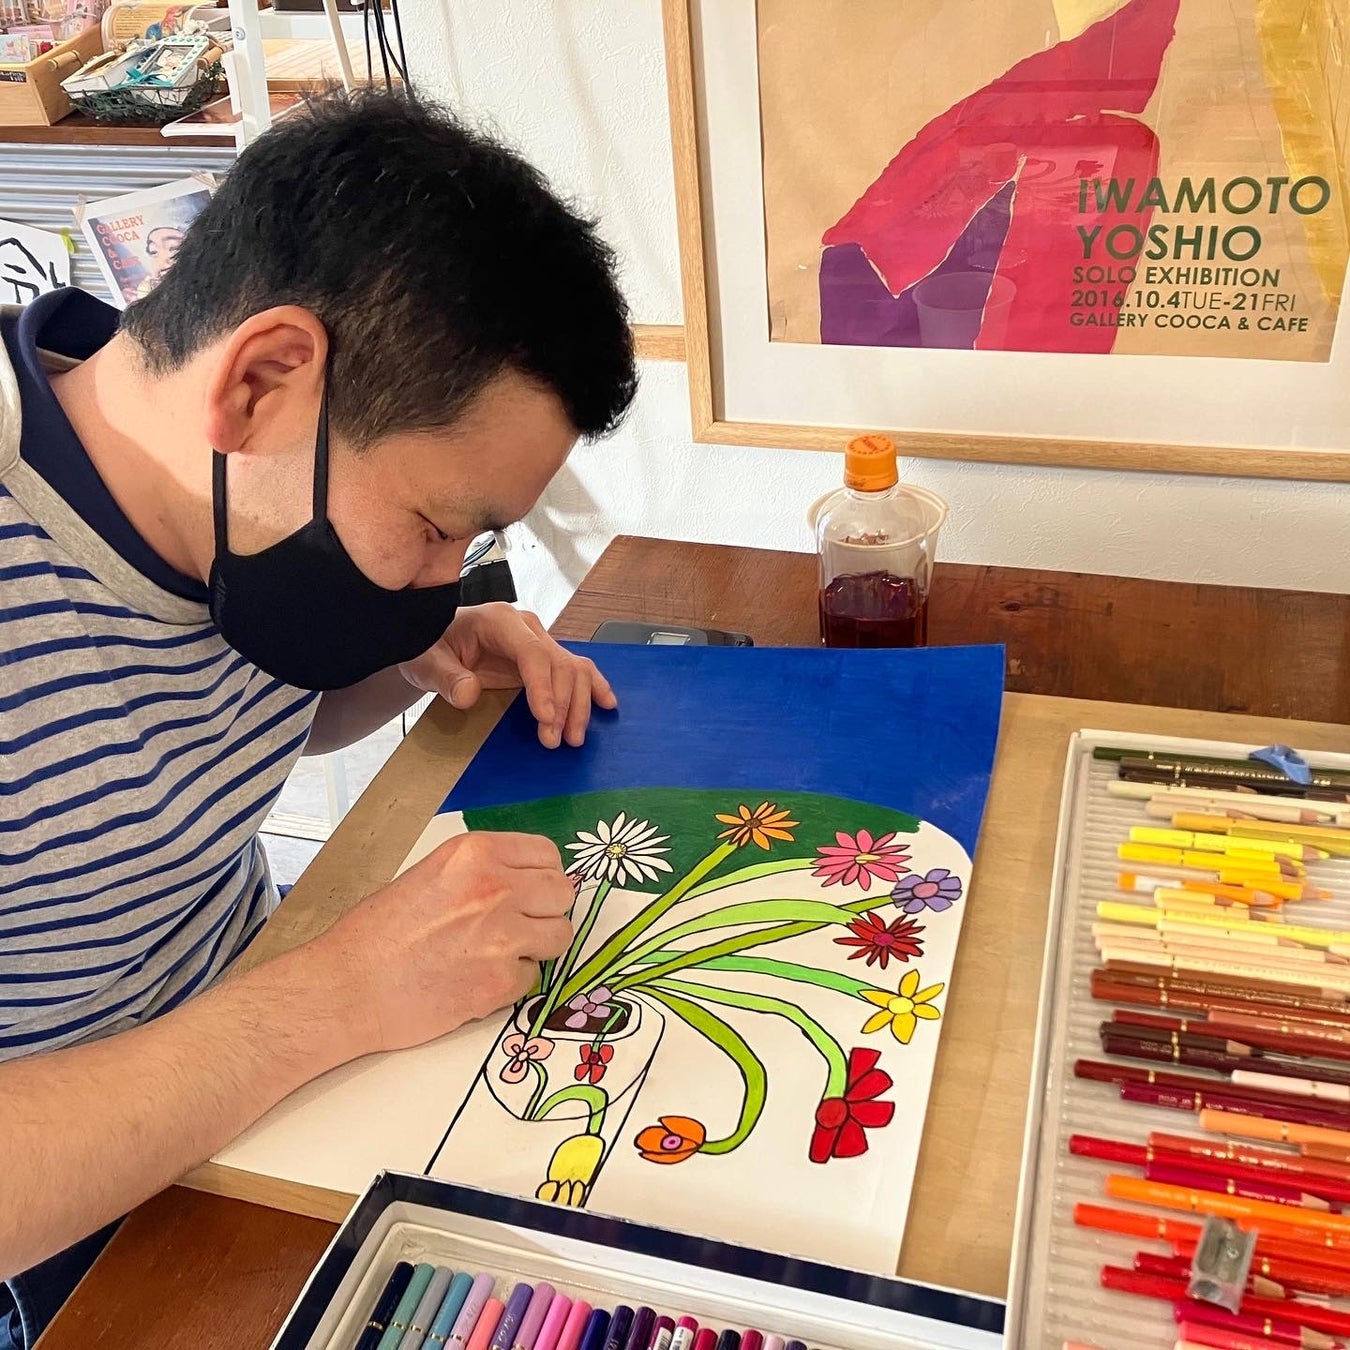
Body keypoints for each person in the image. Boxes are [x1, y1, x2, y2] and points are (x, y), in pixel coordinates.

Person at [0, 87, 636, 1347]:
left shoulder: (215, 498)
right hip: (80, 1226)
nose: (441, 576)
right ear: (263, 379)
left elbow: (184, 762)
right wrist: (334, 996)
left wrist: (405, 660)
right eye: (436, 526)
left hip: (263, 1051)